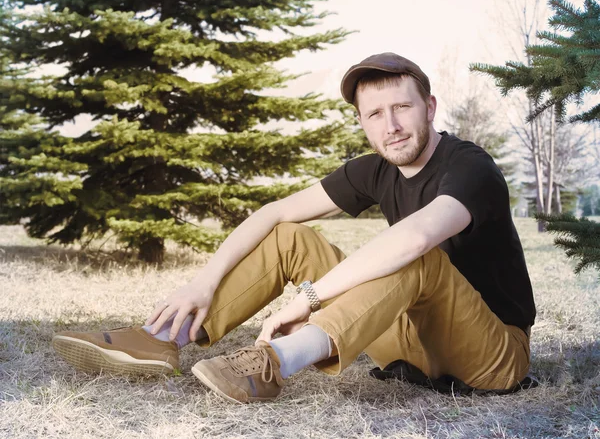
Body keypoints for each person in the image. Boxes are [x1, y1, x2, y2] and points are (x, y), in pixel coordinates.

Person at [52, 52, 536, 404]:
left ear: (429, 107)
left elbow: (413, 238)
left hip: (491, 354)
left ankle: (274, 364)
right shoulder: (374, 169)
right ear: (362, 123)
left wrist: (309, 299)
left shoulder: (471, 167)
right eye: (375, 114)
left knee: (415, 256)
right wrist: (202, 281)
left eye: (402, 108)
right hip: (410, 342)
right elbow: (273, 214)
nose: (391, 125)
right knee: (290, 238)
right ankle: (163, 340)